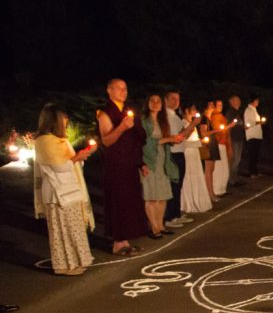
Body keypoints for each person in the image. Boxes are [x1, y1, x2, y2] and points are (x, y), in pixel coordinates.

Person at [33, 104, 97, 275]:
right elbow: (59, 166)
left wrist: (81, 156)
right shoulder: (44, 140)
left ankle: (77, 261)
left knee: (73, 228)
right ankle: (66, 265)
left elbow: (69, 162)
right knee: (63, 231)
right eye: (64, 118)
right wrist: (78, 157)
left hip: (69, 189)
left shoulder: (58, 139)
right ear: (54, 120)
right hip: (57, 193)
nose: (67, 121)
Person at [96, 78, 149, 255]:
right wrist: (122, 128)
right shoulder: (105, 113)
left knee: (129, 202)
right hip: (116, 165)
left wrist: (140, 162)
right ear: (109, 91)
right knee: (118, 202)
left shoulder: (127, 110)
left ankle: (125, 240)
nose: (123, 92)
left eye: (125, 88)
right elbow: (107, 140)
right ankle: (117, 243)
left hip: (129, 163)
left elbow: (136, 139)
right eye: (119, 89)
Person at [140, 94, 182, 238]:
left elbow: (164, 141)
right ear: (147, 103)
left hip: (163, 160)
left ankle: (160, 224)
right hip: (150, 160)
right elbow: (145, 142)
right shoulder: (144, 122)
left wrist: (173, 140)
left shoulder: (162, 121)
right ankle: (153, 227)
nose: (156, 103)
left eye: (158, 101)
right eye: (152, 100)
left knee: (163, 194)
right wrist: (168, 139)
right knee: (151, 195)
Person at [164, 91, 194, 227]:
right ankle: (169, 217)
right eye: (172, 99)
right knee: (173, 185)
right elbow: (177, 137)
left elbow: (184, 135)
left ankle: (175, 213)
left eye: (178, 99)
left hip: (180, 152)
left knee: (178, 185)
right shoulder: (166, 116)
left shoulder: (175, 116)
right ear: (165, 100)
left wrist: (191, 127)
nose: (176, 101)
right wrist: (193, 125)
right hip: (173, 153)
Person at [180, 104, 213, 215]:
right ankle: (188, 203)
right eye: (193, 109)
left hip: (194, 154)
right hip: (188, 154)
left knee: (197, 175)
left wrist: (201, 141)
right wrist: (199, 142)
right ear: (186, 110)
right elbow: (184, 139)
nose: (195, 111)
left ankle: (198, 201)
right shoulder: (184, 123)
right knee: (189, 177)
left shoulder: (191, 124)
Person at [199, 102, 220, 202]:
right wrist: (215, 131)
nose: (213, 105)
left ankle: (211, 192)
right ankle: (209, 194)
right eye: (211, 104)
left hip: (212, 143)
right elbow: (203, 133)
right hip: (208, 145)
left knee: (212, 170)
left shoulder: (209, 118)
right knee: (208, 171)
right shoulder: (204, 118)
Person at [226, 95, 246, 185]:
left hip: (239, 137)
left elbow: (239, 124)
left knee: (238, 159)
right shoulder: (230, 113)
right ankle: (231, 180)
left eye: (239, 100)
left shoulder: (238, 112)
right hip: (234, 138)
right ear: (232, 102)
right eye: (237, 100)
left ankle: (235, 178)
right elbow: (229, 127)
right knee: (234, 160)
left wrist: (244, 126)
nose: (239, 102)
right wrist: (229, 141)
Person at [242, 95, 263, 177]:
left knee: (256, 155)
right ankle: (251, 172)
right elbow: (248, 123)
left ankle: (255, 171)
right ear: (253, 101)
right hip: (252, 136)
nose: (258, 103)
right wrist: (258, 122)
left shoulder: (254, 110)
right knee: (252, 154)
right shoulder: (248, 110)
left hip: (257, 135)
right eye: (256, 101)